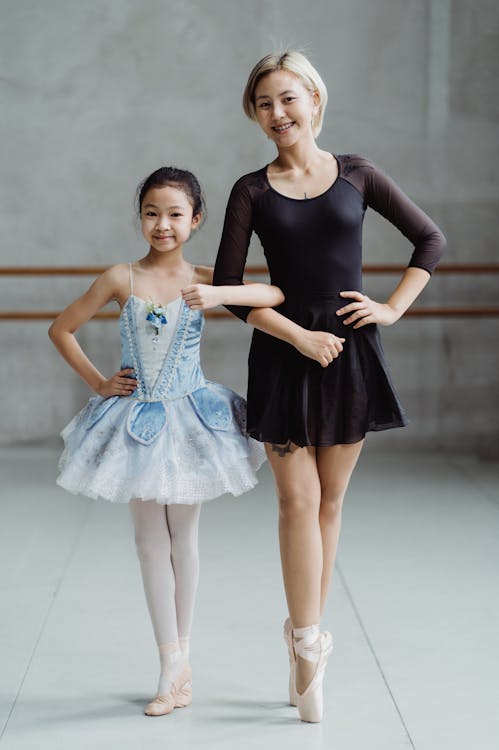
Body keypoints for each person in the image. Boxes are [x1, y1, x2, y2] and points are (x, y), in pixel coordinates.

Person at [205, 50, 446, 723]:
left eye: (287, 99)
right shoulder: (250, 191)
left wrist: (392, 307)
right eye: (263, 104)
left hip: (351, 357)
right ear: (254, 115)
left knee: (330, 505)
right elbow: (229, 293)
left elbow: (429, 240)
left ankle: (301, 630)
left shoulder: (359, 175)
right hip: (285, 356)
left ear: (314, 98)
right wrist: (298, 336)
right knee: (295, 502)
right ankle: (310, 645)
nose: (277, 114)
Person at [48, 166, 284, 716]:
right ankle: (169, 665)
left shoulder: (201, 280)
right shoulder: (120, 278)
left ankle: (183, 661)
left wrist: (219, 290)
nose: (162, 224)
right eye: (152, 213)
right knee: (149, 542)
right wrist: (99, 383)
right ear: (140, 218)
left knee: (187, 538)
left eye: (176, 214)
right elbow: (62, 327)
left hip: (191, 420)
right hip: (134, 421)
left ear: (196, 220)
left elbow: (274, 291)